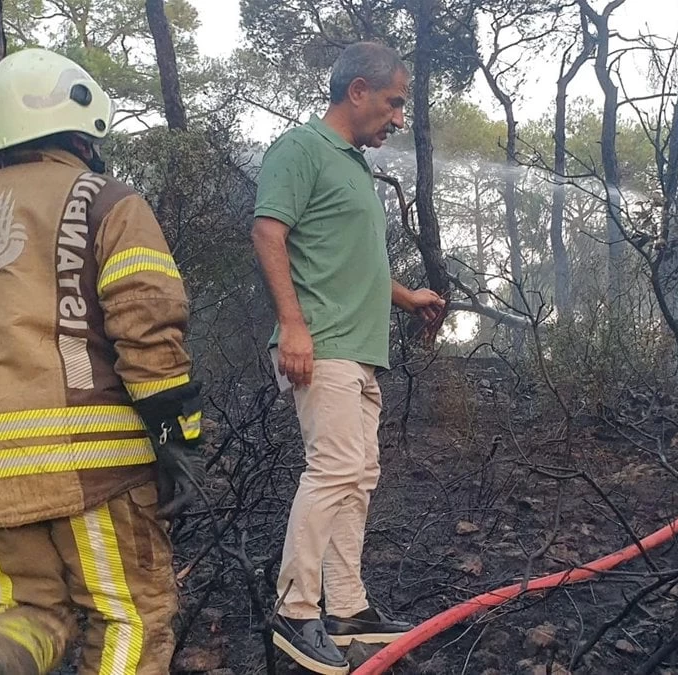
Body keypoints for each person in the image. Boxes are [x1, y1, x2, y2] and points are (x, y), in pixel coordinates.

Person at [0, 47, 205, 675]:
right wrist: (176, 437)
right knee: (129, 618)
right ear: (85, 131)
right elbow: (148, 321)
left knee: (22, 614)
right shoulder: (108, 202)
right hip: (92, 468)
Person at [251, 41, 446, 675]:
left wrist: (406, 294)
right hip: (323, 345)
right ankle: (294, 610)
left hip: (361, 352)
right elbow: (268, 230)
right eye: (393, 103)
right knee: (334, 471)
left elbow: (351, 263)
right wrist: (292, 327)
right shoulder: (301, 148)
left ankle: (347, 610)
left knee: (357, 480)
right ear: (357, 91)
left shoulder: (355, 168)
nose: (397, 118)